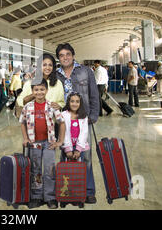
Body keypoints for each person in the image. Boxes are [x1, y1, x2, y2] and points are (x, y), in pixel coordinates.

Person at [56, 43, 99, 204]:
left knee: (86, 155)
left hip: (83, 120)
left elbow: (94, 94)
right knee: (64, 154)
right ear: (58, 58)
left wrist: (93, 116)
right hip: (63, 122)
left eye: (67, 54)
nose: (65, 57)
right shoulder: (56, 75)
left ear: (73, 55)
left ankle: (88, 191)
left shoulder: (85, 71)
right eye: (61, 55)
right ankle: (66, 189)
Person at [19, 78, 65, 209]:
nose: (39, 92)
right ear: (32, 91)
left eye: (42, 89)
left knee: (50, 170)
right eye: (36, 90)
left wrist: (60, 141)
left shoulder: (52, 105)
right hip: (34, 144)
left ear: (47, 90)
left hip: (49, 143)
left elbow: (61, 123)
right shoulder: (28, 107)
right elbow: (22, 122)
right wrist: (25, 138)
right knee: (36, 170)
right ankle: (36, 196)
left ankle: (50, 196)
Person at [60, 92, 92, 195]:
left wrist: (78, 149)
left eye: (77, 101)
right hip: (67, 147)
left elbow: (84, 133)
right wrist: (68, 149)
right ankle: (66, 192)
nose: (74, 104)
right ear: (68, 102)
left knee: (79, 170)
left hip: (80, 148)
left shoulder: (83, 116)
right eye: (72, 101)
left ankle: (78, 191)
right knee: (66, 171)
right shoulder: (64, 115)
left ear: (80, 103)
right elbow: (64, 133)